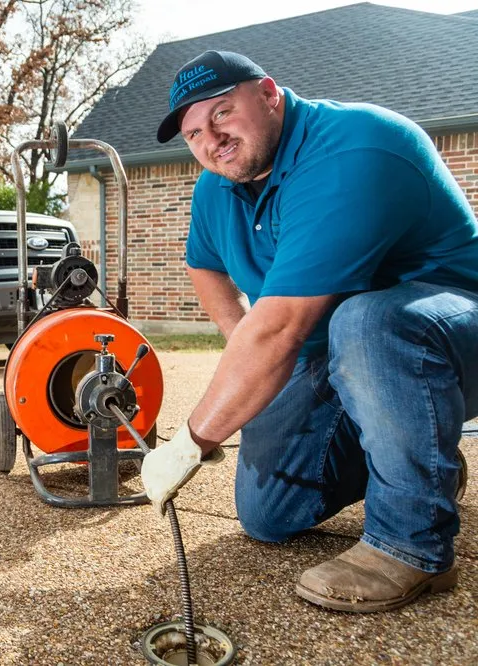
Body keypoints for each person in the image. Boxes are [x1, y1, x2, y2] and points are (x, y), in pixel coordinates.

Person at [139, 50, 478, 613]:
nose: (211, 140)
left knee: (367, 319)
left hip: (450, 335)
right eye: (194, 132)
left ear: (269, 94)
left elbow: (282, 332)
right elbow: (204, 265)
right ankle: (422, 459)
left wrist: (191, 442)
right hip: (336, 358)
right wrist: (238, 334)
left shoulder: (355, 147)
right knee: (268, 512)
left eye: (223, 113)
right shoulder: (216, 186)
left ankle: (411, 544)